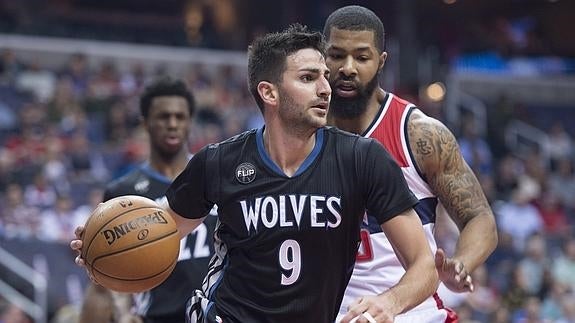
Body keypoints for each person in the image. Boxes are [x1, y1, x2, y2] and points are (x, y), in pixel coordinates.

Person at [72, 24, 439, 323]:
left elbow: (424, 266)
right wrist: (106, 242)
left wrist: (390, 302)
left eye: (324, 77)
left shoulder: (363, 159)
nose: (326, 88)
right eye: (309, 78)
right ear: (270, 93)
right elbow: (163, 227)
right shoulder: (219, 162)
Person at [322, 5, 498, 322]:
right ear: (322, 57)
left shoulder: (419, 134)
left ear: (381, 62)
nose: (348, 68)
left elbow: (480, 217)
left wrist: (462, 262)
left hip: (409, 310)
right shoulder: (300, 131)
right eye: (336, 55)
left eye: (362, 57)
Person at [79, 77, 217, 323]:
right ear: (145, 123)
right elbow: (112, 275)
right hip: (156, 316)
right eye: (163, 117)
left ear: (190, 122)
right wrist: (123, 313)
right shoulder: (123, 191)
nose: (172, 124)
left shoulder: (216, 175)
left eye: (180, 117)